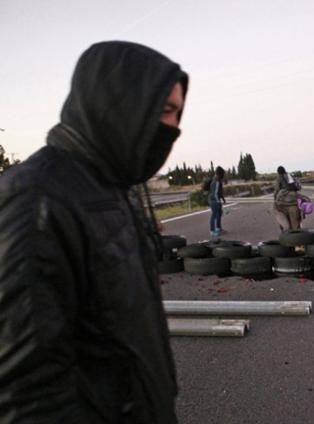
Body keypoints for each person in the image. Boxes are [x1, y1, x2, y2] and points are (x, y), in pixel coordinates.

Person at [0, 41, 187, 423]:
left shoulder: (114, 190)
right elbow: (28, 395)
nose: (173, 128)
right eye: (165, 111)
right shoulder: (35, 199)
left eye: (178, 114)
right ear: (119, 104)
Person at [273, 165, 301, 231]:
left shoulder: (279, 178)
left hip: (282, 203)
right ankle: (298, 236)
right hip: (294, 201)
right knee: (295, 224)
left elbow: (277, 189)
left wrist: (275, 198)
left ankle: (285, 235)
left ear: (278, 172)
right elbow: (297, 186)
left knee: (284, 224)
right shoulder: (290, 176)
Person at [209, 166, 226, 237]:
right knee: (214, 215)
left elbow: (220, 192)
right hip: (213, 200)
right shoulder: (216, 181)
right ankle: (212, 231)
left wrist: (223, 198)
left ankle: (218, 228)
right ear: (220, 173)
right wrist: (218, 202)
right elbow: (215, 193)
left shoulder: (217, 180)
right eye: (223, 174)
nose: (224, 175)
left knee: (219, 213)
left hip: (216, 199)